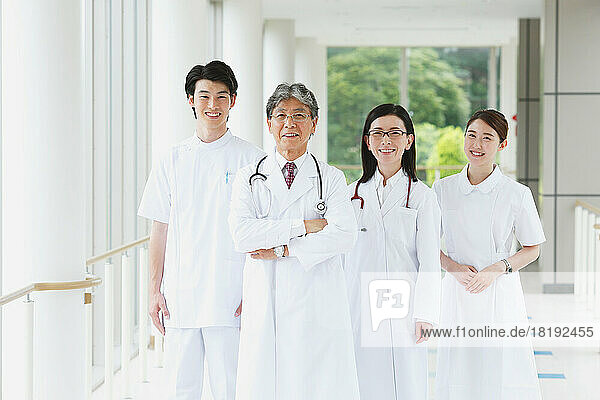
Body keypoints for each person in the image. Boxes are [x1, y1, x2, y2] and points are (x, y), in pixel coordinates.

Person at [137, 60, 264, 400]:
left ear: (232, 101)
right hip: (181, 296)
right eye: (204, 95)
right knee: (181, 389)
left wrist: (256, 290)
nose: (213, 105)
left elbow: (262, 234)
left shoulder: (252, 161)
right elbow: (158, 229)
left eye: (221, 96)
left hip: (232, 297)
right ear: (190, 99)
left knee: (234, 388)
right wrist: (154, 290)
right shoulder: (172, 159)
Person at [228, 83, 360, 400]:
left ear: (314, 123)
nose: (290, 124)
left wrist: (282, 249)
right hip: (266, 293)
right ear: (270, 123)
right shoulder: (248, 176)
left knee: (316, 383)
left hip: (316, 296)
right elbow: (242, 235)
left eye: (299, 115)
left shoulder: (330, 178)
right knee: (266, 381)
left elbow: (345, 234)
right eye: (281, 115)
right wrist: (304, 225)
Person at [433, 109, 544, 400]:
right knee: (457, 365)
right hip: (457, 289)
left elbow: (532, 248)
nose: (477, 145)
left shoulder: (516, 193)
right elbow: (426, 243)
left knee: (500, 366)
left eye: (487, 138)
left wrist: (498, 269)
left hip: (500, 290)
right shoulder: (443, 189)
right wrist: (451, 266)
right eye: (472, 136)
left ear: (502, 144)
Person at [344, 104, 441, 399]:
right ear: (367, 141)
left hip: (405, 306)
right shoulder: (350, 195)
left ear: (408, 140)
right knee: (363, 378)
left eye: (395, 133)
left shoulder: (423, 196)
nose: (386, 141)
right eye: (378, 133)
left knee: (407, 381)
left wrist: (425, 313)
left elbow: (429, 262)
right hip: (358, 302)